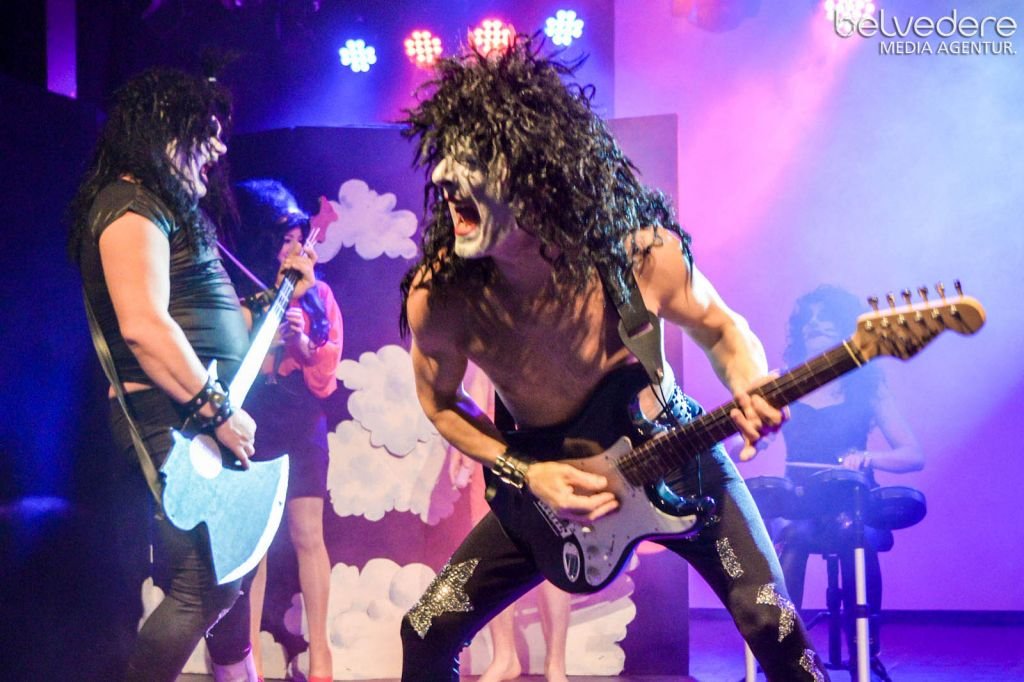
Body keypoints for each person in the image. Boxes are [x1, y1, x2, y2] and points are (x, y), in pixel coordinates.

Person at [396, 36, 829, 681]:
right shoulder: (443, 296)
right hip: (547, 489)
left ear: (539, 175)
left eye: (477, 159)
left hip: (677, 458)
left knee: (772, 622)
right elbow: (439, 402)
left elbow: (722, 328)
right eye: (447, 157)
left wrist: (750, 381)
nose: (444, 178)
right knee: (426, 630)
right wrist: (525, 471)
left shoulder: (638, 256)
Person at [67, 68, 315, 682]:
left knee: (229, 571)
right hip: (173, 416)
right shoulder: (130, 205)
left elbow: (206, 319)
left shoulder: (168, 210)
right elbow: (144, 327)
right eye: (205, 132)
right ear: (165, 134)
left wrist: (280, 297)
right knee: (204, 584)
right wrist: (218, 410)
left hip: (195, 411)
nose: (219, 147)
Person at [775, 285, 923, 675]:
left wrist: (870, 458)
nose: (814, 325)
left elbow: (913, 454)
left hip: (854, 504)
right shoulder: (782, 383)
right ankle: (785, 648)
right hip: (801, 504)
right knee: (795, 535)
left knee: (854, 534)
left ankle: (865, 646)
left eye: (825, 319)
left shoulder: (868, 388)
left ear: (844, 327)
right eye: (809, 320)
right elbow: (749, 440)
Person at [232, 179, 342, 682]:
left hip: (301, 421)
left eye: (299, 240)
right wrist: (267, 331)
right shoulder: (244, 295)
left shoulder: (320, 296)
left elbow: (324, 380)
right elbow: (236, 367)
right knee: (254, 545)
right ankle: (248, 658)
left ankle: (321, 657)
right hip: (255, 420)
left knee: (308, 535)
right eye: (284, 241)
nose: (294, 250)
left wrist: (300, 343)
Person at [448, 363, 570, 682]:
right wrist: (465, 446)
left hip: (546, 430)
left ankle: (556, 665)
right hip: (497, 440)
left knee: (555, 544)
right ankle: (504, 656)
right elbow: (481, 377)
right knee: (494, 546)